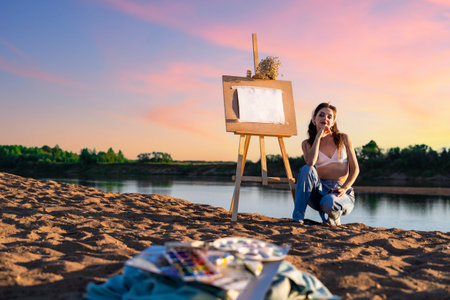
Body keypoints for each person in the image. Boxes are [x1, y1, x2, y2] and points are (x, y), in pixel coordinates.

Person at [292, 103, 359, 225]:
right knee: (307, 169)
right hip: (319, 191)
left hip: (341, 192)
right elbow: (311, 163)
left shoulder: (344, 139)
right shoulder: (307, 144)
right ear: (314, 119)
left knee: (329, 202)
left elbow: (355, 170)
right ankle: (297, 218)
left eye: (329, 117)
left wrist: (344, 188)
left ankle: (334, 217)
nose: (325, 119)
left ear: (333, 122)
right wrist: (318, 137)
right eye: (321, 115)